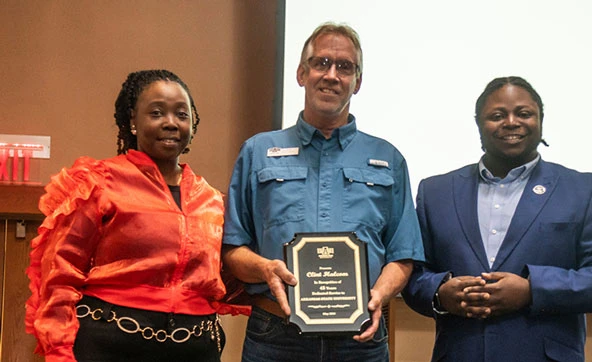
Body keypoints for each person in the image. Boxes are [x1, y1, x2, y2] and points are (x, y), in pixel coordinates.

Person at [222, 22, 424, 362]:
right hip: (275, 335)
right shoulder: (257, 152)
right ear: (302, 73)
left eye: (344, 67)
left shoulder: (389, 159)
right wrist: (264, 269)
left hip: (360, 339)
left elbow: (403, 255)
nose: (332, 75)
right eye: (321, 63)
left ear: (357, 82)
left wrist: (378, 295)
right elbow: (233, 249)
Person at [25, 69, 248, 362]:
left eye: (181, 114)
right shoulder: (99, 183)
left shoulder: (213, 200)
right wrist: (60, 351)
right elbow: (59, 273)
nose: (170, 123)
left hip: (195, 348)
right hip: (109, 345)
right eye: (157, 113)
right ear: (132, 120)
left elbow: (228, 283)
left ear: (192, 123)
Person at [402, 76, 592, 362]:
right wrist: (441, 293)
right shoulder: (435, 192)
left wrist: (532, 290)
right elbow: (413, 274)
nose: (511, 122)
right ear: (478, 125)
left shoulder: (584, 190)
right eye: (497, 115)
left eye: (524, 113)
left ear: (541, 120)